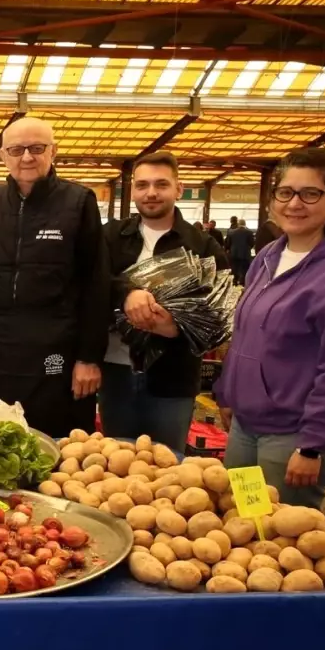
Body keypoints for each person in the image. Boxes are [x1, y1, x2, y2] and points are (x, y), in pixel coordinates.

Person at [216, 148, 325, 508]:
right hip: (246, 427)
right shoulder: (269, 255)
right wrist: (227, 392)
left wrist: (313, 444)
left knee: (279, 541)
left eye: (311, 194)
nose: (295, 203)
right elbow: (245, 332)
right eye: (286, 192)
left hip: (294, 434)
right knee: (243, 524)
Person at [0, 117, 109, 438]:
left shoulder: (78, 202)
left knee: (53, 441)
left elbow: (97, 284)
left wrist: (89, 358)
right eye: (16, 150)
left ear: (53, 151)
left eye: (37, 148)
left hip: (54, 354)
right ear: (3, 156)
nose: (26, 157)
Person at [101, 153, 228, 452]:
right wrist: (127, 293)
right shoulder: (112, 236)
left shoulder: (202, 246)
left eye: (161, 184)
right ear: (132, 190)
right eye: (142, 185)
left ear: (178, 188)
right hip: (115, 373)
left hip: (174, 378)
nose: (151, 193)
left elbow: (219, 313)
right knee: (113, 465)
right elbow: (92, 283)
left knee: (168, 466)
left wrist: (177, 328)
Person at [225, 216, 254, 285]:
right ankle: (243, 283)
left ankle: (234, 282)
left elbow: (228, 243)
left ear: (238, 224)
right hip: (245, 254)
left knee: (235, 268)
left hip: (234, 253)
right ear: (245, 224)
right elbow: (252, 243)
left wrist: (228, 250)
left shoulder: (232, 232)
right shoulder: (249, 232)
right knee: (245, 269)